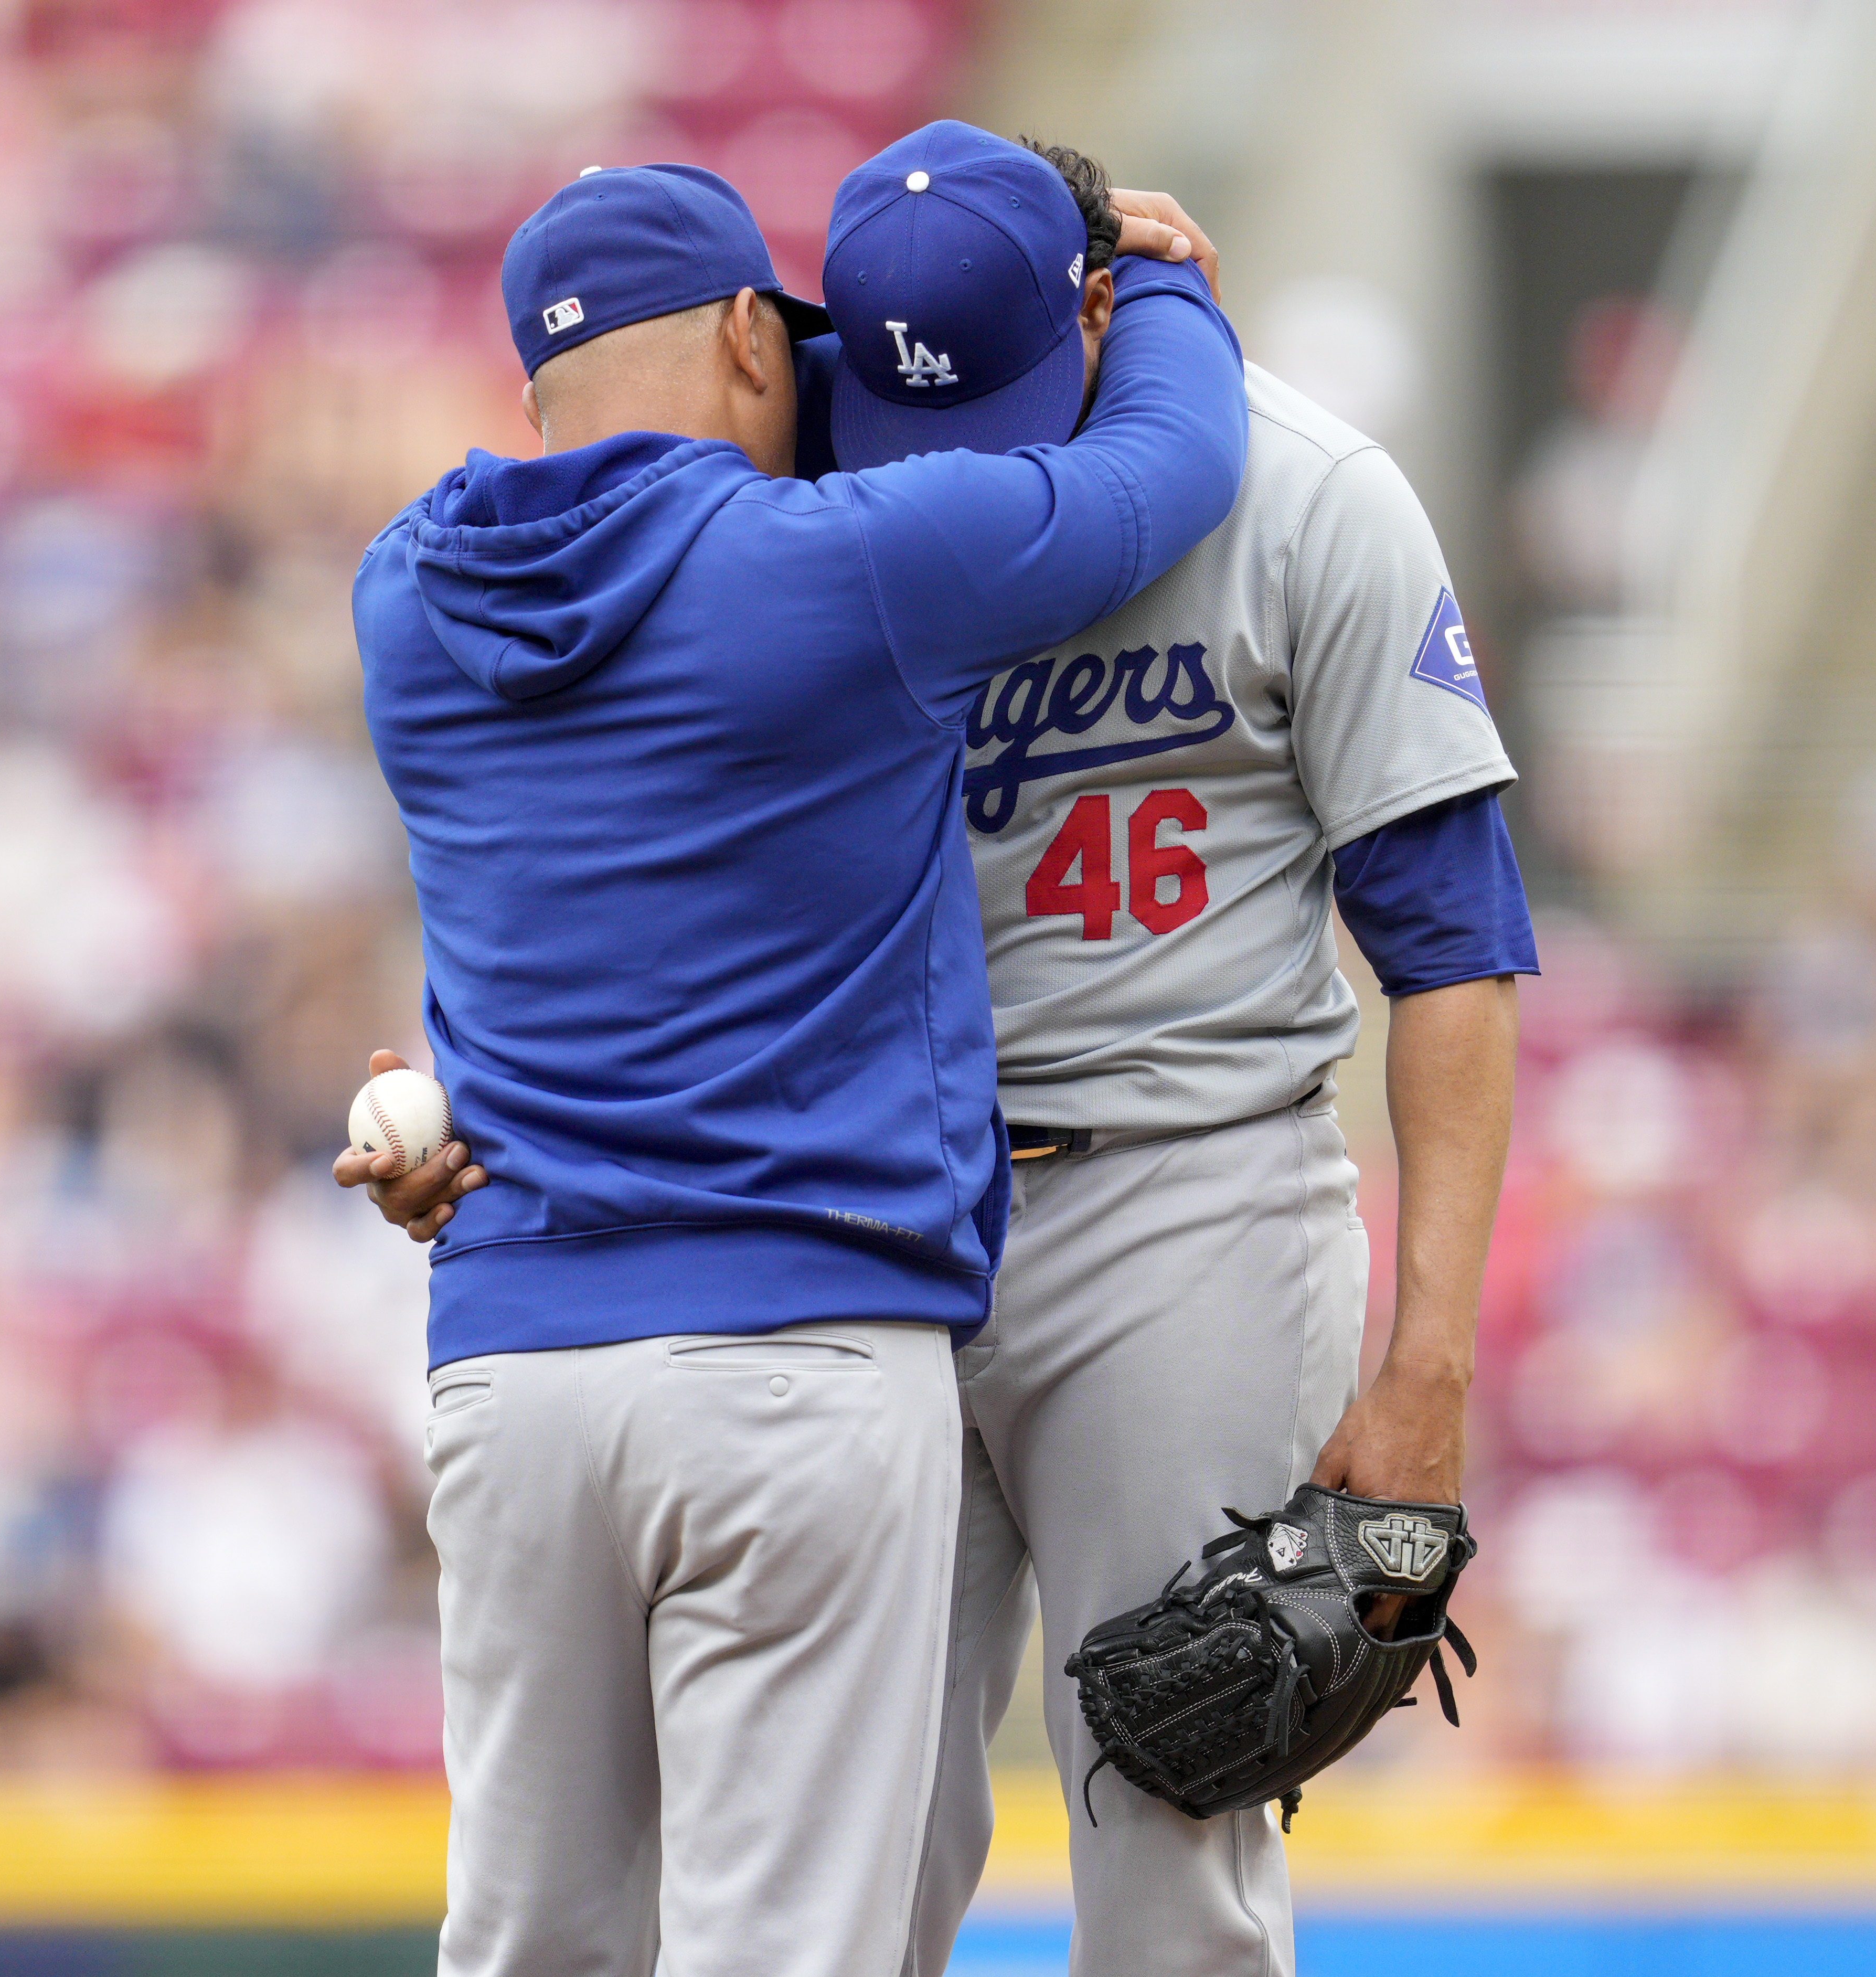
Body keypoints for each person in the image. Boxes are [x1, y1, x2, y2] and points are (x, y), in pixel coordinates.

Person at [347, 154, 1244, 1977]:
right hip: (797, 1359)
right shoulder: (844, 568)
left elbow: (616, 475)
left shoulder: (402, 602)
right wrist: (1148, 288)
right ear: (759, 337)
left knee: (529, 1943)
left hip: (513, 1373)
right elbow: (1167, 470)